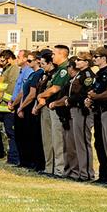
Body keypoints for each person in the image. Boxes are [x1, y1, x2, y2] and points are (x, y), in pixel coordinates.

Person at [36, 45, 70, 177]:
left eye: (54, 54)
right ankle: (50, 168)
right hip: (50, 107)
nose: (52, 56)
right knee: (49, 140)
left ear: (62, 54)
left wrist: (41, 95)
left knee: (58, 141)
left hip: (58, 108)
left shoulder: (64, 70)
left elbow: (55, 88)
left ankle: (59, 170)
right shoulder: (57, 70)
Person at [65, 52, 95, 181]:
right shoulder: (79, 74)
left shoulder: (87, 75)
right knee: (78, 142)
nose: (76, 62)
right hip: (75, 110)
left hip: (82, 111)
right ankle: (80, 171)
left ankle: (86, 173)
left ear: (87, 62)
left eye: (80, 60)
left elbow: (85, 93)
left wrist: (71, 100)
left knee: (83, 142)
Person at [84, 47, 107, 184]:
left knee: (105, 144)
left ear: (104, 58)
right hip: (97, 111)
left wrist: (95, 97)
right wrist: (90, 99)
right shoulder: (99, 73)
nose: (94, 59)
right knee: (99, 144)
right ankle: (103, 175)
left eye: (96, 56)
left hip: (104, 111)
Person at [16, 51, 45, 169]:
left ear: (37, 61)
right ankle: (27, 161)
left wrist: (21, 107)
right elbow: (24, 92)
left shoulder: (39, 73)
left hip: (31, 109)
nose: (28, 63)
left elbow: (32, 94)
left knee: (33, 137)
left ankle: (35, 162)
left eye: (30, 61)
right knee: (25, 136)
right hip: (26, 107)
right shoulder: (32, 74)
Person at [0, 50, 20, 164]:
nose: (1, 62)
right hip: (2, 106)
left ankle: (13, 157)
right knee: (5, 133)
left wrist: (6, 100)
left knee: (11, 133)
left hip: (8, 106)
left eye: (3, 60)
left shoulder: (13, 69)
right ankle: (8, 155)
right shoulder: (5, 70)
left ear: (9, 59)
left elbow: (11, 87)